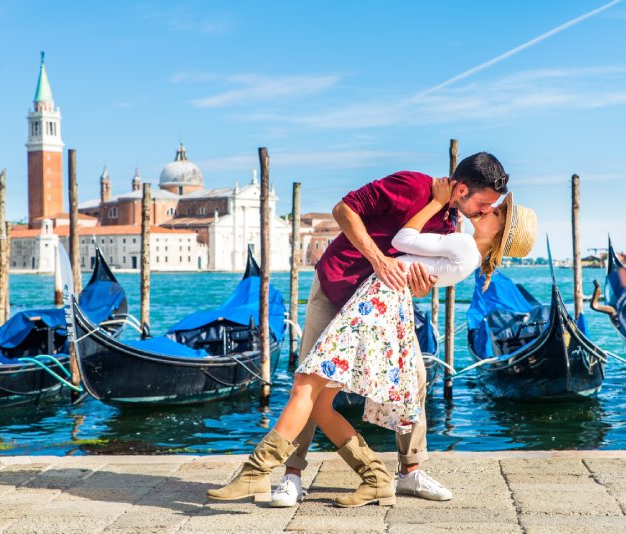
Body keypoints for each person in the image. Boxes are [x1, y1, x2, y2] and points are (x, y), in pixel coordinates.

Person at [206, 153, 536, 507]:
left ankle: (404, 473)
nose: (485, 210)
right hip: (338, 285)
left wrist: (421, 285)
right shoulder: (411, 186)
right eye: (485, 203)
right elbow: (342, 210)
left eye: (492, 208)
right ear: (462, 187)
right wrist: (378, 258)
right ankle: (292, 475)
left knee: (413, 379)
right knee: (308, 378)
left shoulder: (452, 224)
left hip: (377, 303)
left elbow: (424, 270)